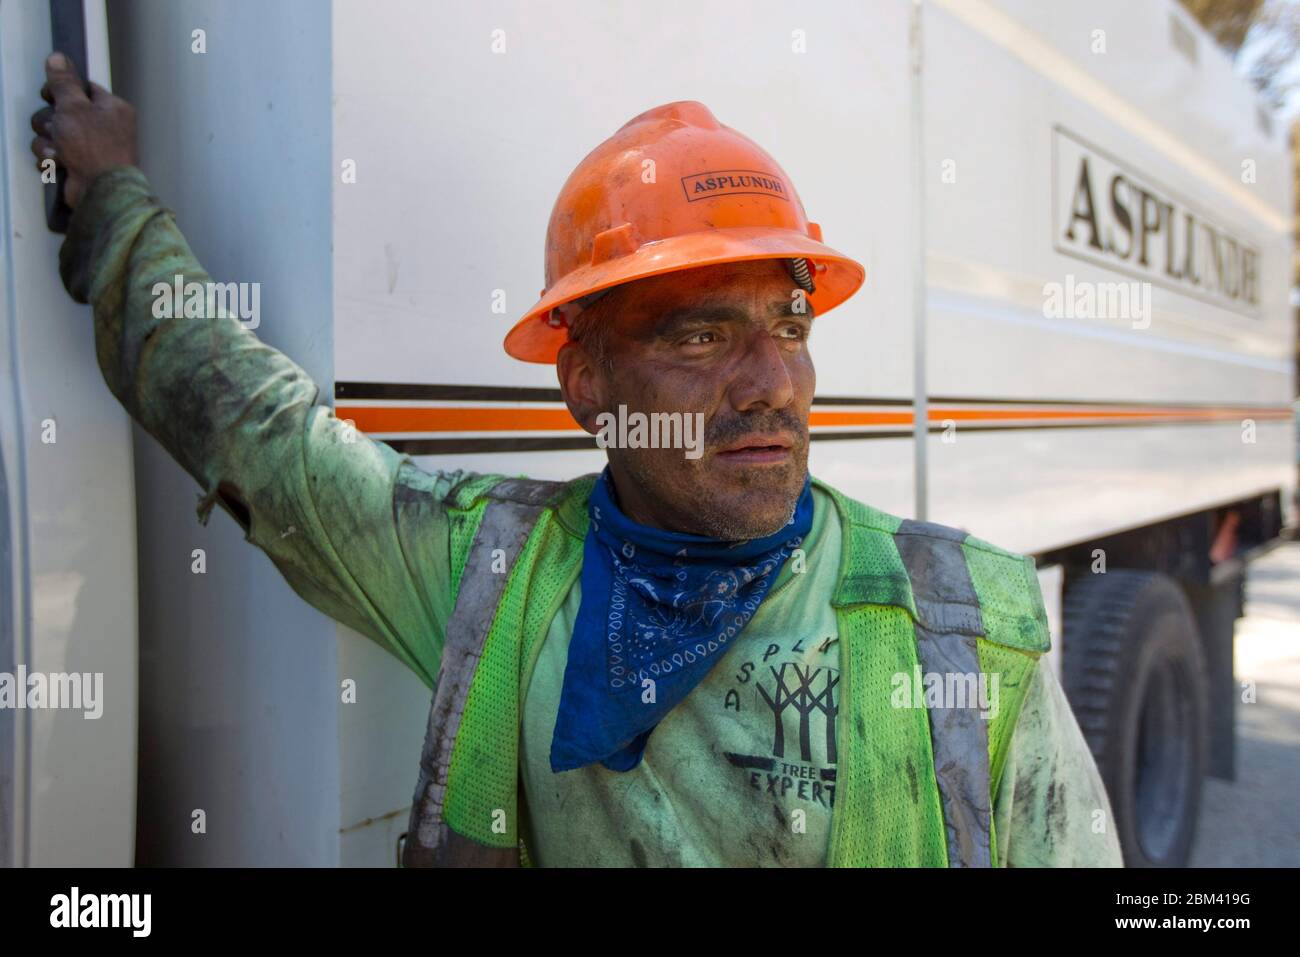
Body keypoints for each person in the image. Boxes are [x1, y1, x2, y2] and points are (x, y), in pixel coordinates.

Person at [31, 51, 1123, 867]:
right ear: (586, 384)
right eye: (699, 335)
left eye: (788, 327)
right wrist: (115, 196)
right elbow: (252, 432)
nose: (770, 382)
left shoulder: (962, 631)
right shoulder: (497, 574)